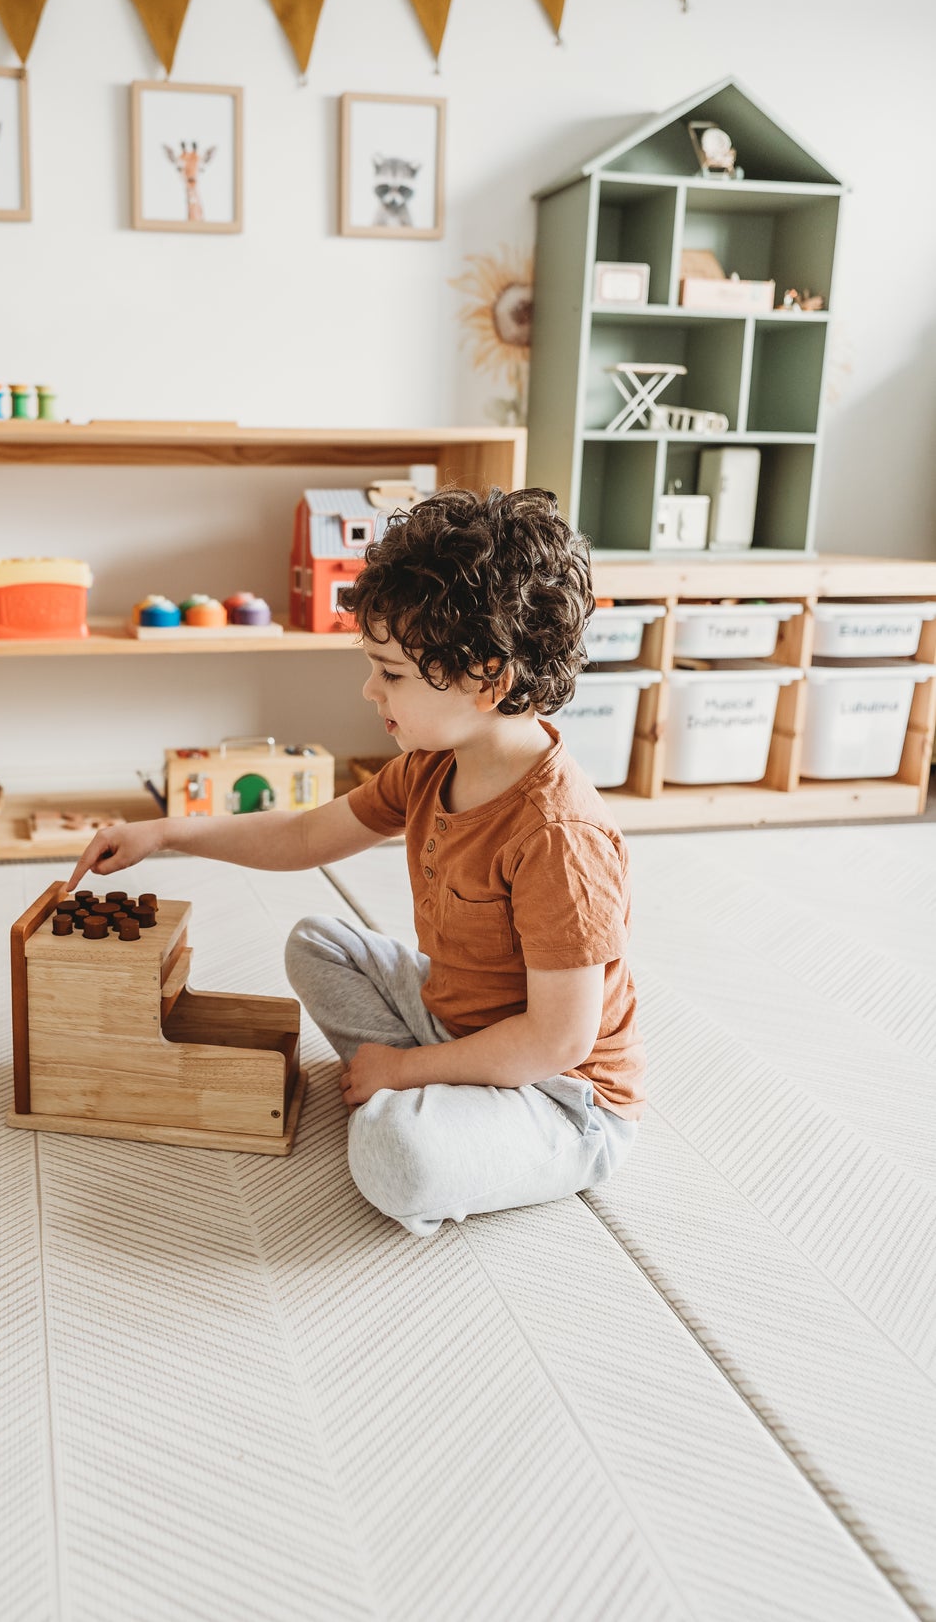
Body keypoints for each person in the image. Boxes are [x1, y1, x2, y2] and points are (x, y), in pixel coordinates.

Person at [65, 486, 644, 1237]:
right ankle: (443, 1089)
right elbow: (305, 838)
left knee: (395, 1156)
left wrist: (400, 1071)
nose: (370, 689)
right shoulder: (434, 764)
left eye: (392, 672)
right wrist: (165, 832)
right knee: (316, 943)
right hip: (454, 1019)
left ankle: (436, 1108)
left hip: (558, 1096)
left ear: (489, 680)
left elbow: (556, 1041)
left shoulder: (559, 838)